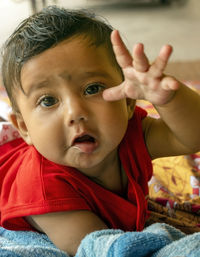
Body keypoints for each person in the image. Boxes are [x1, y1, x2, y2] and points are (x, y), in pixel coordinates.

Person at [0, 5, 199, 256]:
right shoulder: (41, 188)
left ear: (128, 103)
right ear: (25, 128)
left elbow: (192, 136)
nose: (75, 112)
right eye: (48, 101)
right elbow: (99, 246)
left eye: (92, 88)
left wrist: (170, 98)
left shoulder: (128, 133)